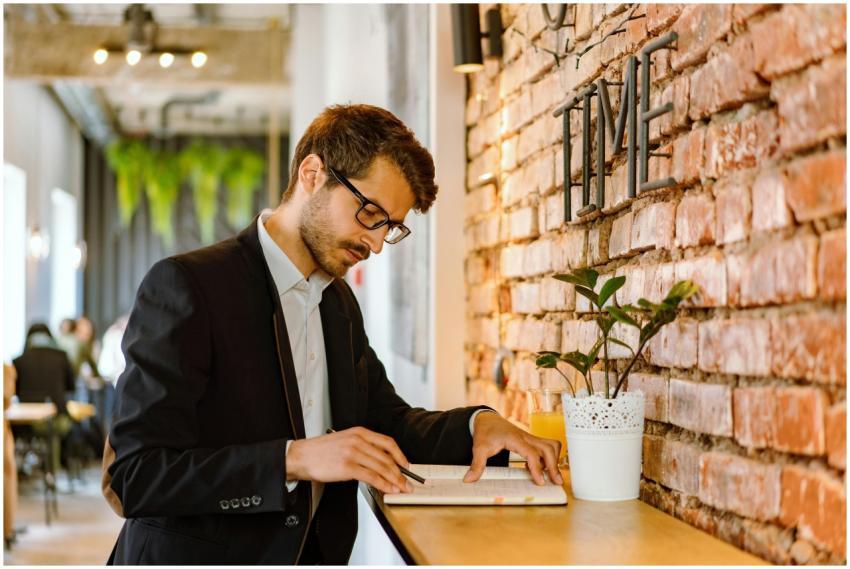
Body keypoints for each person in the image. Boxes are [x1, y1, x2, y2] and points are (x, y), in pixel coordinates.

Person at [102, 104, 562, 565]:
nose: (378, 243)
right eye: (369, 213)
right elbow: (137, 475)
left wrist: (478, 423)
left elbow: (387, 423)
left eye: (391, 227)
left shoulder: (338, 304)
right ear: (312, 173)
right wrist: (292, 459)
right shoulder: (190, 286)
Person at [13, 323, 77, 475]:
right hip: (58, 419)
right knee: (57, 429)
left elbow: (14, 392)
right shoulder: (62, 356)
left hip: (26, 423)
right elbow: (71, 387)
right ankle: (53, 472)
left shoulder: (18, 361)